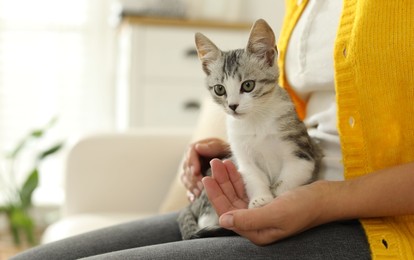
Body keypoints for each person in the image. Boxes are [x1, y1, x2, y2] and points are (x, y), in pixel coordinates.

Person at [13, 0, 414, 259]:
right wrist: (237, 151)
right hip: (280, 194)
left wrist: (327, 199)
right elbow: (302, 118)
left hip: (374, 224)